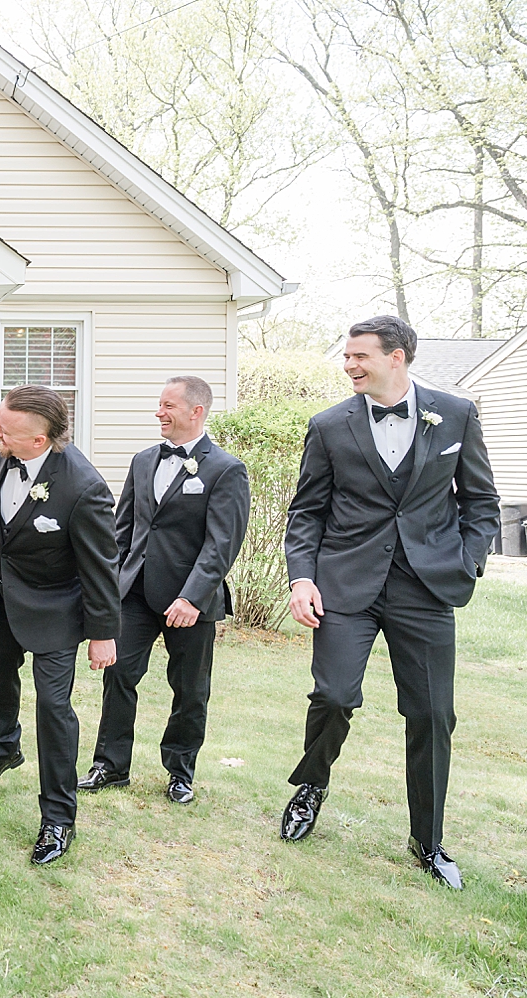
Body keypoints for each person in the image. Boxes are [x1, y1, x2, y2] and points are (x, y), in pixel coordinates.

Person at [281, 316, 498, 890]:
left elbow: (481, 502)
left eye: (360, 356)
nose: (349, 365)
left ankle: (427, 840)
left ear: (397, 357)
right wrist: (301, 578)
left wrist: (468, 560)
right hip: (345, 585)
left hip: (425, 589)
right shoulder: (328, 425)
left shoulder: (456, 414)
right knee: (332, 694)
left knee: (432, 714)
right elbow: (306, 512)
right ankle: (312, 784)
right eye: (347, 357)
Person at [0, 385, 119, 865]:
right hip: (3, 597)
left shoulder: (84, 487)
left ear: (41, 440)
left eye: (6, 430)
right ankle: (2, 749)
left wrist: (103, 632)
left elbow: (100, 566)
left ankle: (58, 817)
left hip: (56, 609)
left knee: (53, 708)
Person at [80, 376, 249, 805]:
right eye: (159, 404)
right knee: (119, 675)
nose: (159, 412)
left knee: (190, 688)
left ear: (197, 412)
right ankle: (110, 765)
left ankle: (180, 770)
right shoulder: (142, 460)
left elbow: (222, 543)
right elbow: (124, 529)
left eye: (168, 405)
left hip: (191, 600)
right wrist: (111, 583)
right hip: (135, 592)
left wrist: (192, 597)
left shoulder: (226, 469)